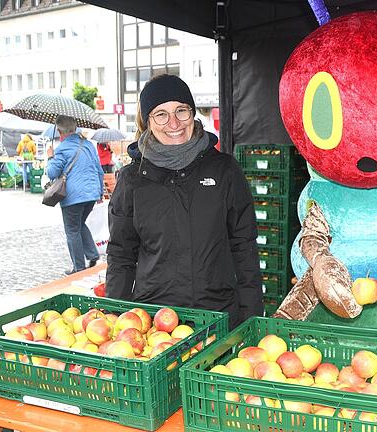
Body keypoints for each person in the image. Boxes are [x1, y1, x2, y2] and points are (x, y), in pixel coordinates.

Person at [106, 74, 262, 329]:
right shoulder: (132, 179)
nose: (174, 122)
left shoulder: (224, 170)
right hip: (155, 323)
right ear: (148, 121)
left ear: (192, 114)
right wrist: (116, 318)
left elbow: (244, 247)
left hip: (218, 316)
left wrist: (251, 315)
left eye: (181, 110)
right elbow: (121, 255)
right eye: (161, 114)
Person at [46, 115, 105, 275]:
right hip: (91, 193)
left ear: (59, 131)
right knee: (79, 224)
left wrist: (51, 156)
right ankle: (92, 255)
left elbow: (52, 172)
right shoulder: (88, 145)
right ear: (75, 128)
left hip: (73, 195)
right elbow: (99, 170)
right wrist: (100, 192)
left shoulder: (62, 148)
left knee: (72, 230)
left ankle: (78, 268)